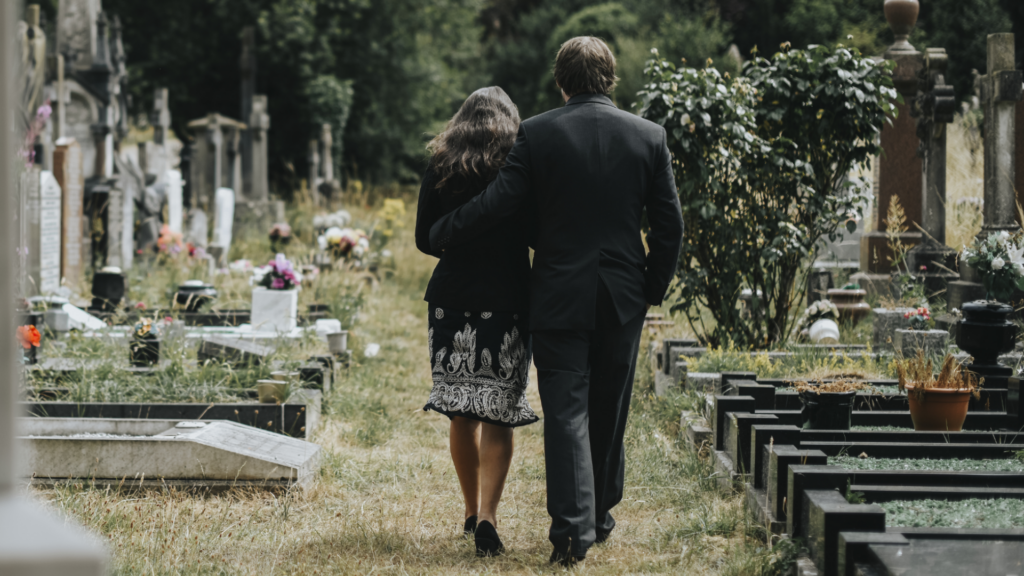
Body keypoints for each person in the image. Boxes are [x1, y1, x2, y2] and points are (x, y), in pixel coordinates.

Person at [429, 37, 684, 565]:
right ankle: (599, 515)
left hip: (558, 294)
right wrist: (648, 290)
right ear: (610, 78)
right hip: (622, 296)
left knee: (566, 411)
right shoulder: (649, 136)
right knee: (609, 407)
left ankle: (571, 533)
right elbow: (670, 228)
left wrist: (445, 230)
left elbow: (499, 202)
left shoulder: (538, 133)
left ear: (561, 81)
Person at [414, 86, 538, 558]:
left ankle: (468, 511)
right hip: (506, 298)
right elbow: (534, 233)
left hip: (451, 298)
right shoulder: (519, 165)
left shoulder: (443, 161)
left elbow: (426, 238)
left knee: (460, 411)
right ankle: (489, 515)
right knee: (498, 412)